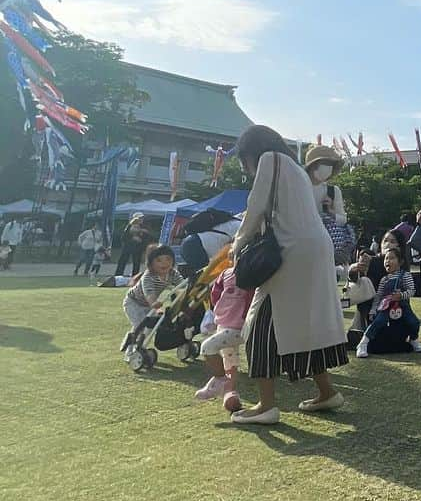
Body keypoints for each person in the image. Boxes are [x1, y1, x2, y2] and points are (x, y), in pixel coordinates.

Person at [229, 125, 349, 426]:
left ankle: (266, 405)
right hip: (315, 249)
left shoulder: (270, 159)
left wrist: (237, 244)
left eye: (244, 160)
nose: (246, 168)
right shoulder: (293, 168)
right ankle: (327, 391)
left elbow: (255, 207)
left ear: (251, 151)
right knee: (306, 323)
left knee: (261, 324)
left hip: (291, 252)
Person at [195, 264, 252, 412]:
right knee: (230, 358)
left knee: (207, 347)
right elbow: (215, 293)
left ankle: (220, 380)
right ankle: (229, 392)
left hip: (239, 327)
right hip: (226, 323)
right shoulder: (226, 273)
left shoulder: (252, 273)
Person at [355, 240, 421, 358]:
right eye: (386, 259)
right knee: (378, 322)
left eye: (391, 258)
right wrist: (373, 310)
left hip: (402, 306)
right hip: (386, 306)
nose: (387, 261)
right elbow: (378, 296)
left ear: (400, 262)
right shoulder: (384, 279)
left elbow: (412, 290)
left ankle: (413, 339)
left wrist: (401, 296)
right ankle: (363, 343)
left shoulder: (405, 275)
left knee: (414, 322)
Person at [120, 245, 183, 353]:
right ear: (151, 263)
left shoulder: (173, 273)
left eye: (168, 259)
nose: (164, 263)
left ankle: (140, 346)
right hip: (134, 302)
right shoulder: (148, 276)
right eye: (159, 260)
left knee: (150, 328)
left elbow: (182, 286)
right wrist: (154, 303)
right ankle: (130, 349)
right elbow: (149, 293)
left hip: (149, 305)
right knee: (140, 325)